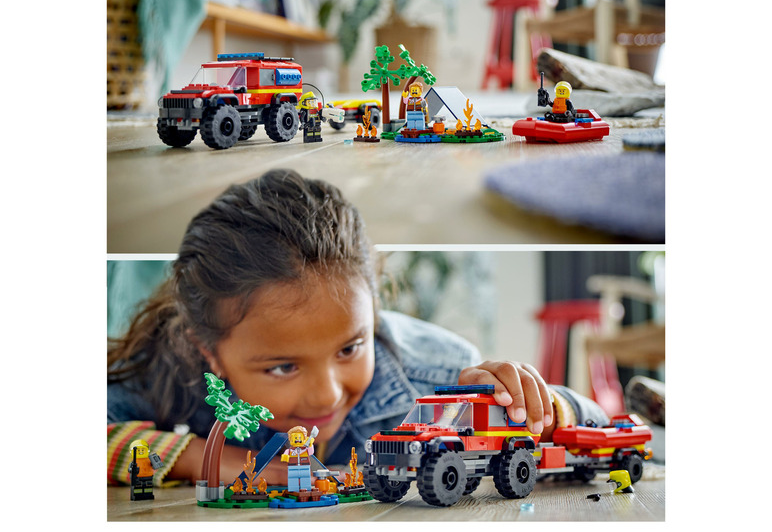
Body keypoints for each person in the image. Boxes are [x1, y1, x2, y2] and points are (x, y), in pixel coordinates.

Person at [107, 168, 607, 488]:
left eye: (350, 348)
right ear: (209, 353)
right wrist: (206, 459)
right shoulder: (177, 367)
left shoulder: (439, 381)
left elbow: (597, 424)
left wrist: (543, 404)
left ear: (372, 309)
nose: (326, 395)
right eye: (282, 366)